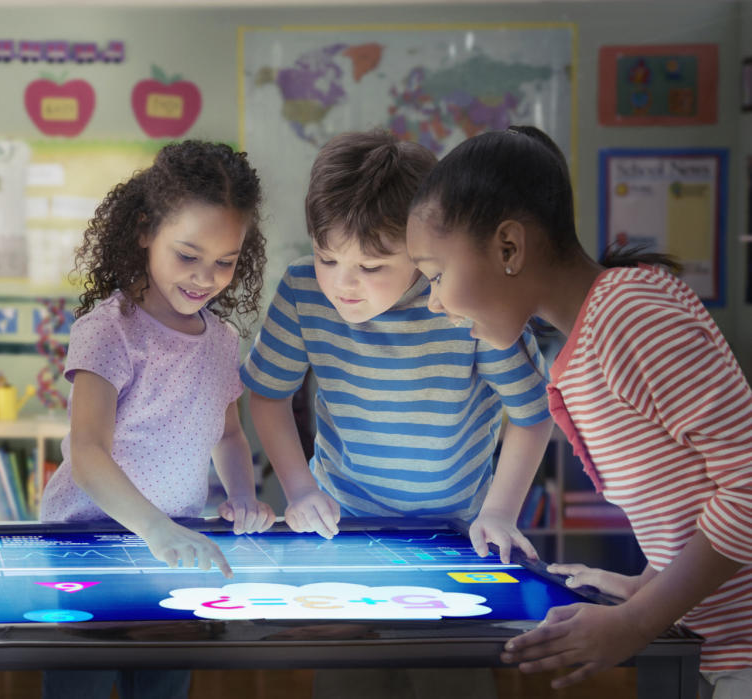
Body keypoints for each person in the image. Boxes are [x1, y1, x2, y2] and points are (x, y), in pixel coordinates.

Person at [406, 124, 752, 698]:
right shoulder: (596, 332)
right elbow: (689, 492)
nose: (435, 302)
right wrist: (646, 586)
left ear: (508, 247)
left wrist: (637, 624)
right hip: (720, 651)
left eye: (437, 275)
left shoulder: (628, 317)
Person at [241, 130, 553, 699]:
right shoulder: (303, 290)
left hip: (455, 537)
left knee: (450, 685)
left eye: (373, 265)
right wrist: (299, 489)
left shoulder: (466, 298)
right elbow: (267, 394)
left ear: (422, 244)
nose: (343, 283)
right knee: (348, 684)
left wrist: (501, 513)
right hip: (345, 533)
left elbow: (533, 414)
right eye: (328, 256)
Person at [37, 140, 276, 699]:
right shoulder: (110, 328)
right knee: (82, 687)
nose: (204, 277)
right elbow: (89, 454)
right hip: (87, 544)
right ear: (144, 231)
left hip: (176, 547)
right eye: (187, 255)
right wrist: (155, 530)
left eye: (225, 262)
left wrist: (243, 495)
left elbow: (231, 434)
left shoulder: (221, 341)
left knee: (162, 687)